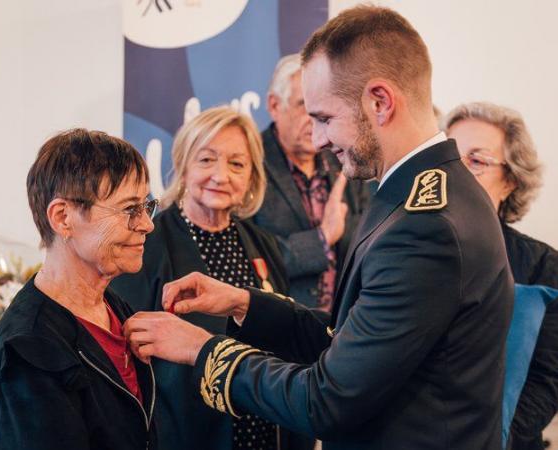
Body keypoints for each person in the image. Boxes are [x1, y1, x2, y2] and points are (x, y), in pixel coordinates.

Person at [123, 6, 514, 450]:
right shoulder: (419, 195)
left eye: (325, 118)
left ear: (380, 102)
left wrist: (201, 349)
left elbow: (326, 400)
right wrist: (245, 303)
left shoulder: (426, 226)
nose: (320, 139)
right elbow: (350, 337)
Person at [112, 106, 308, 450]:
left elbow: (285, 334)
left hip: (267, 429)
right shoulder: (148, 244)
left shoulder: (263, 244)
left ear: (251, 176)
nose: (221, 175)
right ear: (184, 167)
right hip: (186, 435)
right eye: (206, 160)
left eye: (236, 164)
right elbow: (125, 355)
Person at [0, 129, 159, 450]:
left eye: (146, 206)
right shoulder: (27, 353)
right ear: (63, 218)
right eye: (129, 209)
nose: (146, 224)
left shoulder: (115, 309)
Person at [446, 102, 558, 450]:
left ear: (510, 181)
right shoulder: (405, 251)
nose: (458, 173)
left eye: (476, 161)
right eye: (449, 158)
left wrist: (489, 441)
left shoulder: (543, 266)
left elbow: (546, 381)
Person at [255, 53, 369, 310]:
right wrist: (322, 237)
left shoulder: (344, 160)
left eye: (322, 110)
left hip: (343, 330)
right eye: (304, 107)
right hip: (277, 331)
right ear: (274, 106)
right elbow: (249, 260)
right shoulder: (248, 165)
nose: (316, 120)